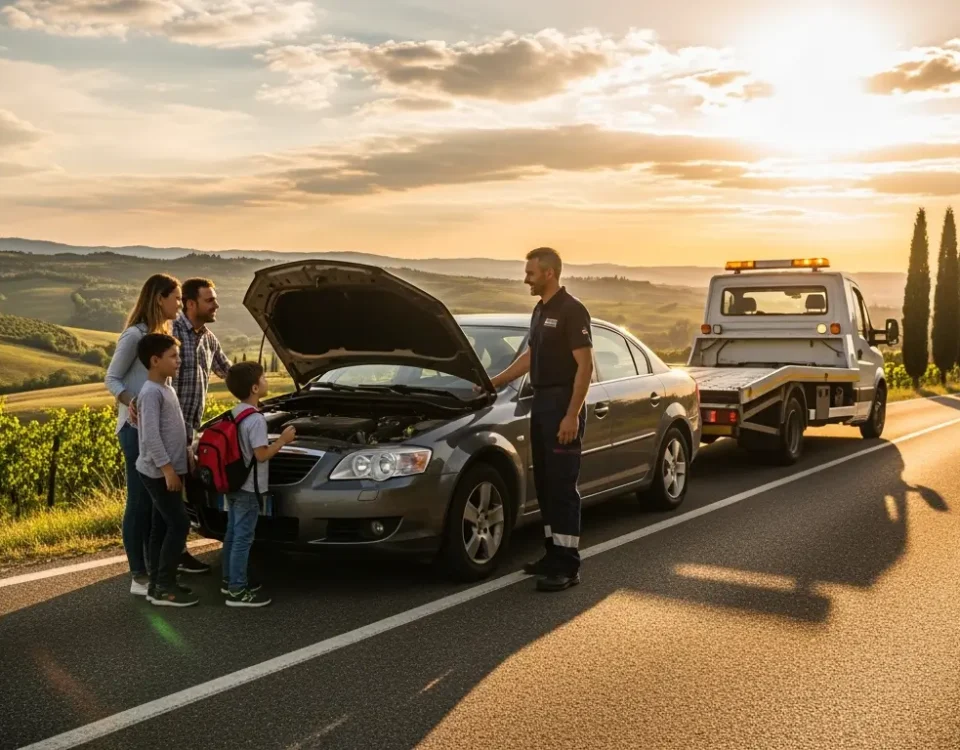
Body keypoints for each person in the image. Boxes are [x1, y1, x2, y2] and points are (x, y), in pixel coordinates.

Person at [488, 247, 593, 592]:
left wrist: (571, 416)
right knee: (546, 485)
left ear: (549, 273)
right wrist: (497, 381)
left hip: (563, 403)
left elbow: (585, 367)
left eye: (530, 273)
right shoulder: (540, 310)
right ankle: (553, 555)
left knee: (563, 488)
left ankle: (568, 566)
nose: (525, 279)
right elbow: (531, 355)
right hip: (542, 403)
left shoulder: (572, 310)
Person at [104, 273, 182, 597]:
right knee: (139, 502)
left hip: (157, 431)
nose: (179, 303)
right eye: (175, 297)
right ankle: (139, 574)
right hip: (135, 431)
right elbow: (112, 378)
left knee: (155, 506)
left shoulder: (163, 335)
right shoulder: (133, 336)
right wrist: (130, 401)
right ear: (159, 298)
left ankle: (154, 569)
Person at [220, 361, 296, 607]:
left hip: (232, 484)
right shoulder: (255, 420)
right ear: (254, 387)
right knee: (243, 538)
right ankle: (238, 591)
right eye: (263, 378)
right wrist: (283, 440)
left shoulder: (235, 412)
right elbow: (261, 455)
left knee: (232, 534)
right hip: (248, 489)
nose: (266, 381)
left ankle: (228, 580)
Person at [170, 277, 232, 575]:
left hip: (192, 431)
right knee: (169, 494)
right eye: (210, 300)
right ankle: (168, 558)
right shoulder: (172, 333)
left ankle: (176, 553)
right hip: (169, 429)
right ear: (190, 303)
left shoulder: (208, 338)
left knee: (185, 491)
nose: (216, 304)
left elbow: (230, 373)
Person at [135, 333, 197, 607]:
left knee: (162, 526)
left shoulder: (166, 388)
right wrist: (169, 470)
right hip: (159, 473)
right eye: (173, 356)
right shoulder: (150, 393)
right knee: (179, 524)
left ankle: (160, 585)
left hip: (169, 469)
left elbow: (173, 430)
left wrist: (185, 456)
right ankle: (163, 587)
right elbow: (150, 436)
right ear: (154, 360)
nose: (179, 361)